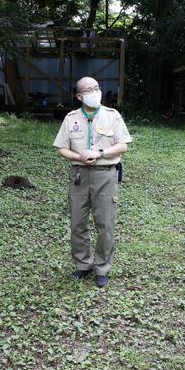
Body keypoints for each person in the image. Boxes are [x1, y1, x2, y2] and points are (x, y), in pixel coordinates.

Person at [53, 76, 132, 288]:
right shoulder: (71, 118)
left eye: (97, 87)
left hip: (105, 174)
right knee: (78, 222)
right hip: (79, 174)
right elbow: (61, 148)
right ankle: (83, 265)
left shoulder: (112, 115)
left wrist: (100, 152)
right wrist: (79, 157)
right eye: (89, 89)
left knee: (105, 224)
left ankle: (102, 268)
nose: (95, 92)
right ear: (79, 96)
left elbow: (123, 145)